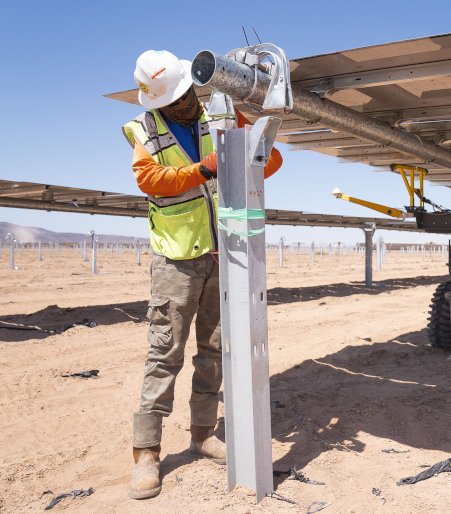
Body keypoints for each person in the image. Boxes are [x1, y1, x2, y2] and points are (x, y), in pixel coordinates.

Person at [122, 49, 282, 500]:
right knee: (164, 353)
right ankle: (146, 454)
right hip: (176, 259)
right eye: (175, 100)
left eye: (187, 94)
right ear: (158, 103)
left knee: (213, 349)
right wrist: (201, 169)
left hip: (220, 253)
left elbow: (270, 162)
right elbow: (150, 179)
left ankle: (202, 432)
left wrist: (254, 136)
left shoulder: (220, 117)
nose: (185, 103)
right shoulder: (144, 130)